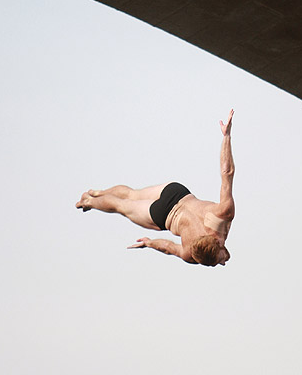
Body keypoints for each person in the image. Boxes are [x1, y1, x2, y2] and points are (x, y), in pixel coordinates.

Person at [75, 110, 235, 267]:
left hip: (177, 193)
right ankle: (89, 201)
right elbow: (169, 248)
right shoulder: (189, 254)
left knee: (131, 194)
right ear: (219, 242)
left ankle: (98, 193)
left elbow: (226, 172)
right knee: (120, 206)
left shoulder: (223, 213)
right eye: (218, 261)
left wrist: (226, 136)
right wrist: (150, 243)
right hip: (164, 215)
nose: (222, 263)